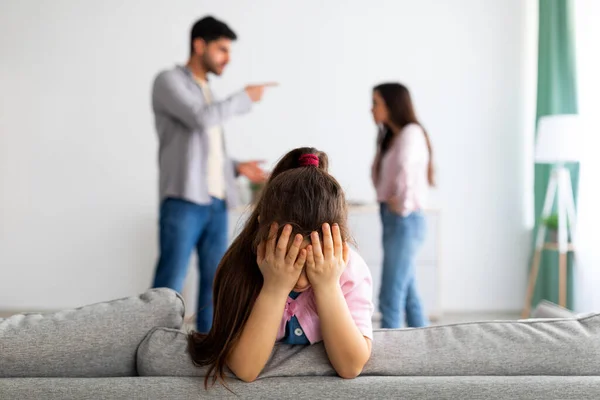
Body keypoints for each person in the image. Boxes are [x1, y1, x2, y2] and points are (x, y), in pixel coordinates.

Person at [187, 148, 374, 386]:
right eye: (289, 257)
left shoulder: (351, 270)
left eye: (313, 262)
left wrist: (327, 285)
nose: (303, 280)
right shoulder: (238, 269)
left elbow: (350, 366)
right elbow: (245, 369)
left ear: (338, 245)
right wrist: (275, 286)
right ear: (262, 233)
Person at [150, 16, 274, 333]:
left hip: (216, 203)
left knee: (216, 283)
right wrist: (245, 97)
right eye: (221, 49)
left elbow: (206, 150)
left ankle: (207, 351)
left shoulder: (207, 90)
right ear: (199, 45)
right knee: (169, 285)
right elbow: (199, 120)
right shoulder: (168, 81)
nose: (227, 58)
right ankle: (154, 347)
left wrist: (235, 167)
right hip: (183, 201)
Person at [370, 83, 435, 329]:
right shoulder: (391, 136)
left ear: (392, 104)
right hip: (393, 218)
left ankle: (390, 362)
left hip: (404, 219)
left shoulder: (411, 133)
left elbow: (408, 168)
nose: (371, 108)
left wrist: (402, 203)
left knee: (390, 296)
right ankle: (431, 351)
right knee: (407, 295)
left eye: (376, 102)